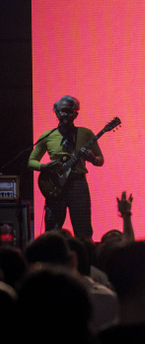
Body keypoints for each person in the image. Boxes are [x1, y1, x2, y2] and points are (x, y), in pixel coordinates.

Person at [28, 95, 104, 239]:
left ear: (76, 113)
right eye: (61, 111)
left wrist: (92, 158)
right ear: (56, 112)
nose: (64, 115)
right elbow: (31, 161)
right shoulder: (48, 136)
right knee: (52, 228)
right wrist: (45, 167)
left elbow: (100, 160)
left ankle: (85, 255)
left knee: (83, 228)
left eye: (69, 111)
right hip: (55, 185)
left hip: (77, 182)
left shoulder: (85, 133)